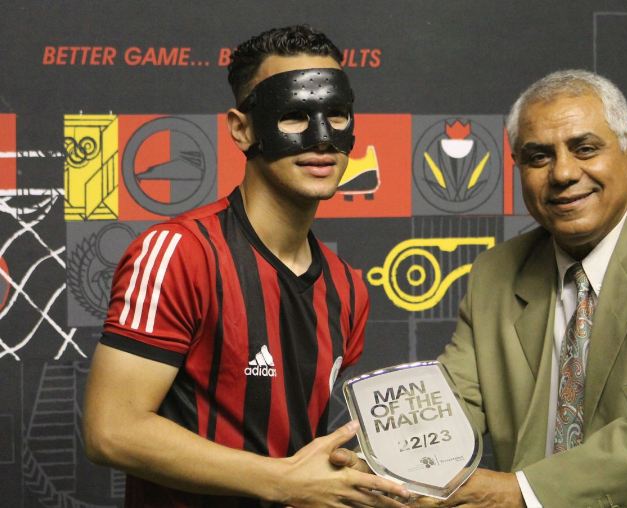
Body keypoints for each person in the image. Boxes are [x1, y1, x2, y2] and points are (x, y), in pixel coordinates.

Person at [83, 25, 410, 508]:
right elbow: (111, 431)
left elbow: (297, 451)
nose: (322, 139)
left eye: (337, 114)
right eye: (293, 115)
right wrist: (284, 481)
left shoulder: (347, 288)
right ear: (243, 129)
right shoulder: (180, 253)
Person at [422, 70, 627, 507]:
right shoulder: (495, 273)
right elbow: (449, 404)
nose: (563, 173)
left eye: (585, 148)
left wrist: (524, 493)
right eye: (539, 157)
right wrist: (378, 465)